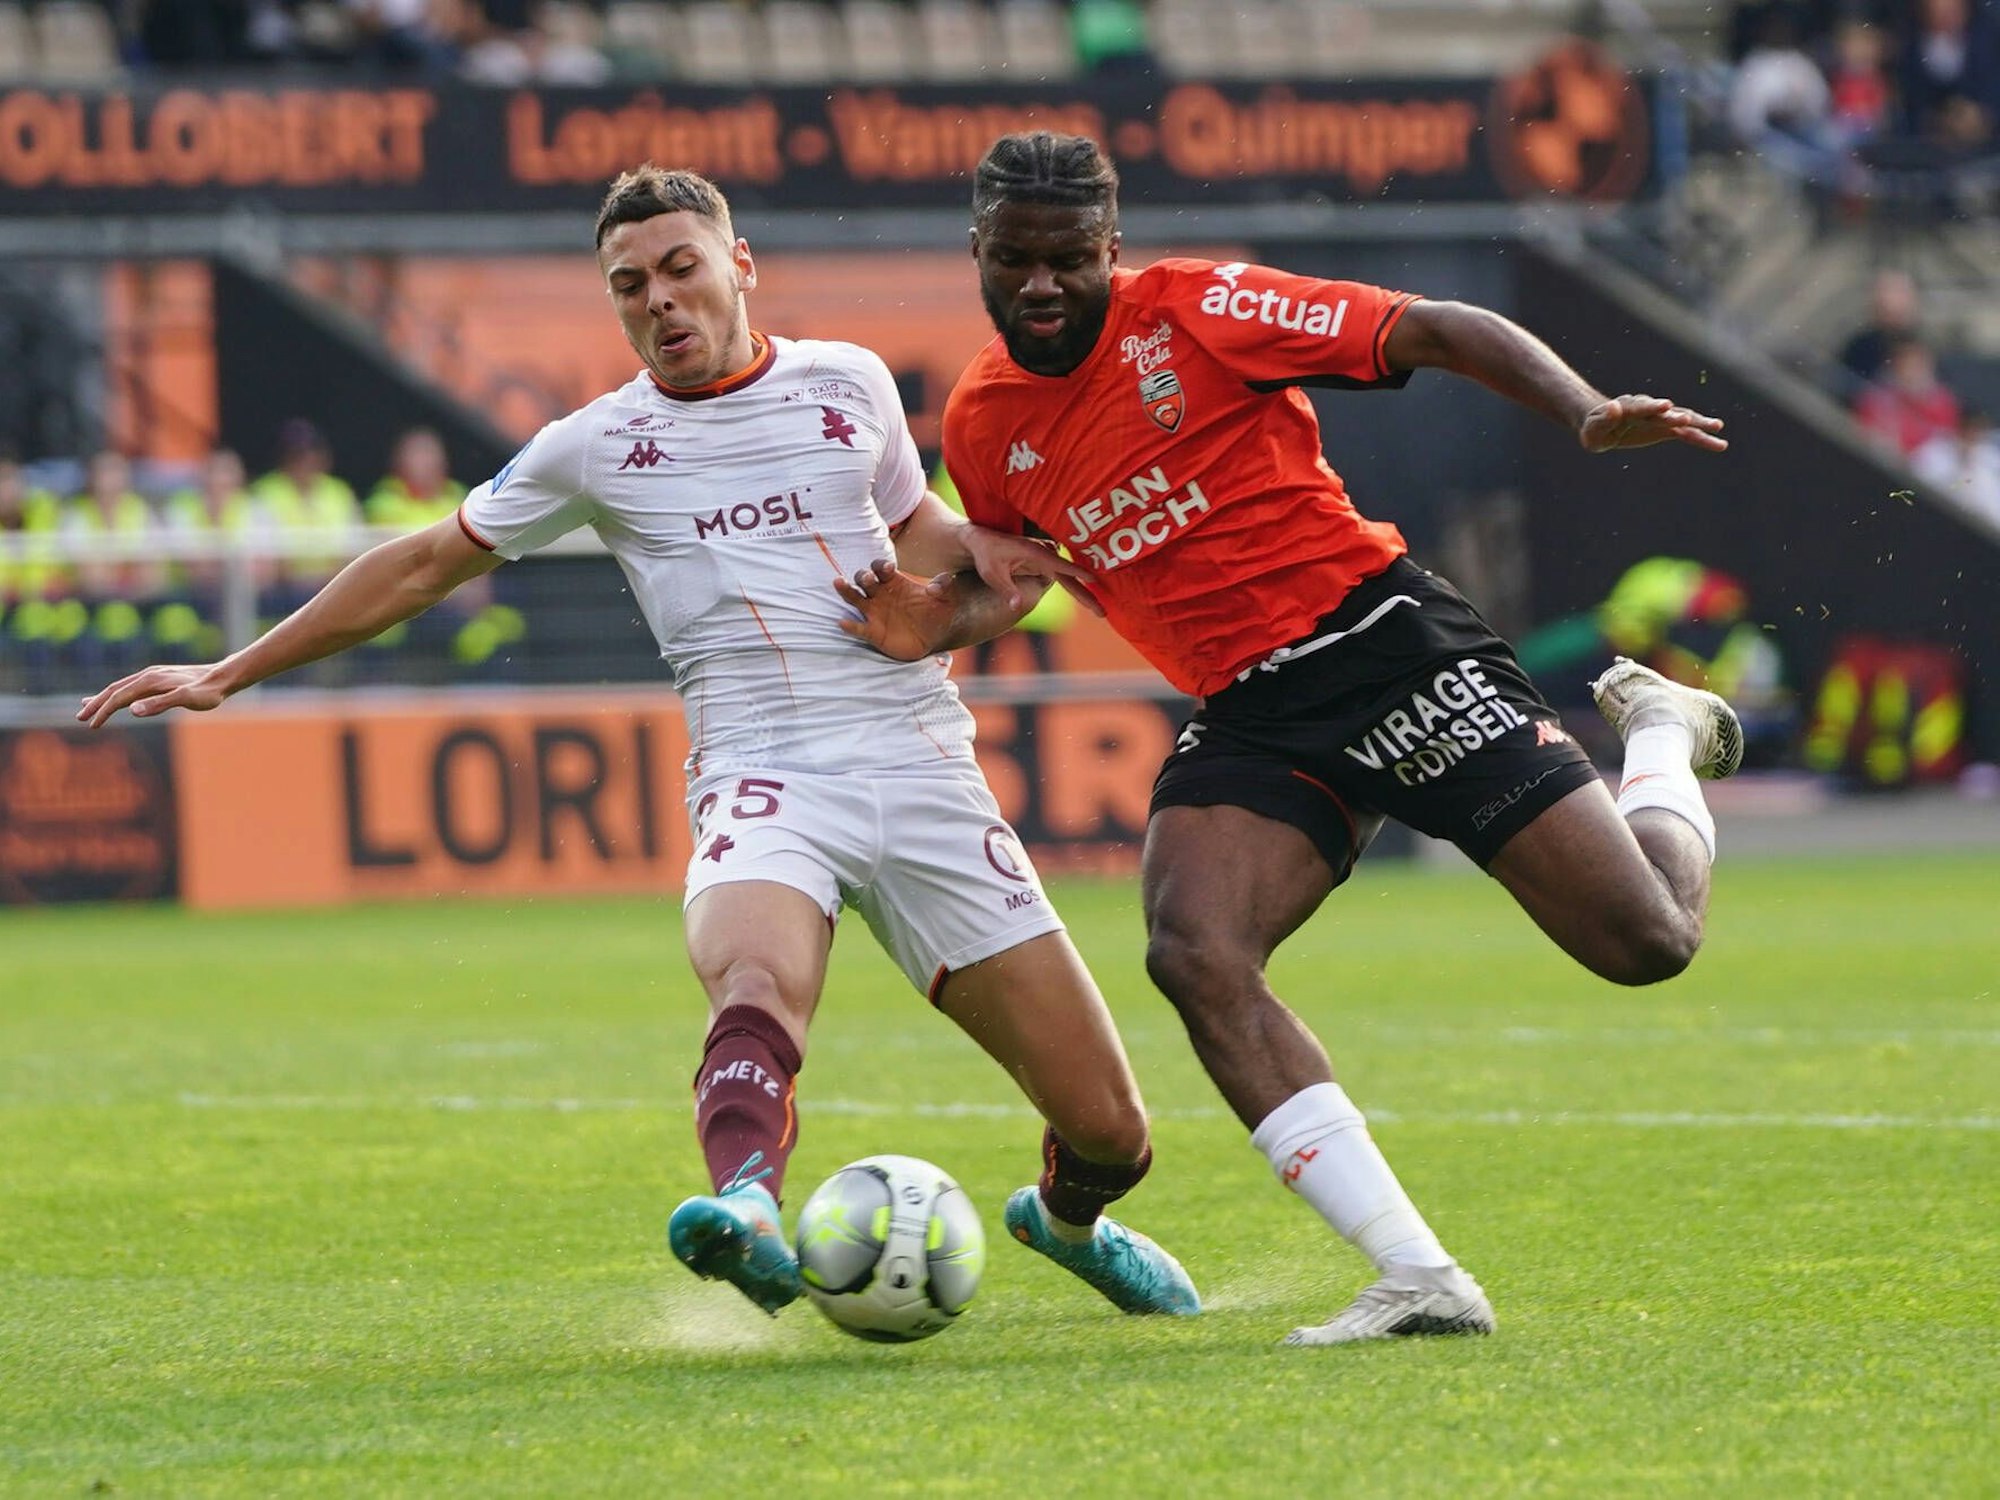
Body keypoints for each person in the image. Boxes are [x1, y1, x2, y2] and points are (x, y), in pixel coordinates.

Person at [77, 164, 1198, 1323]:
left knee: (1110, 1129)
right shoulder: (594, 445)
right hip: (762, 766)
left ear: (737, 267)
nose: (658, 300)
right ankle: (749, 1210)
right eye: (628, 285)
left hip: (916, 756)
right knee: (755, 978)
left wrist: (981, 555)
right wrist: (229, 670)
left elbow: (919, 528)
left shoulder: (848, 383)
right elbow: (419, 563)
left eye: (678, 269)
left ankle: (1069, 1221)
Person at [840, 131, 1742, 1347]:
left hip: (1381, 644)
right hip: (1255, 710)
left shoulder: (1200, 309)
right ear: (977, 254)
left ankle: (1661, 741)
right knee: (1193, 950)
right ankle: (1418, 1276)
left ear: (1110, 249)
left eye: (1066, 260)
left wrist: (1581, 411)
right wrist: (934, 617)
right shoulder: (986, 423)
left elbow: (1429, 325)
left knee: (1646, 944)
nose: (1039, 285)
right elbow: (1030, 579)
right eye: (1013, 262)